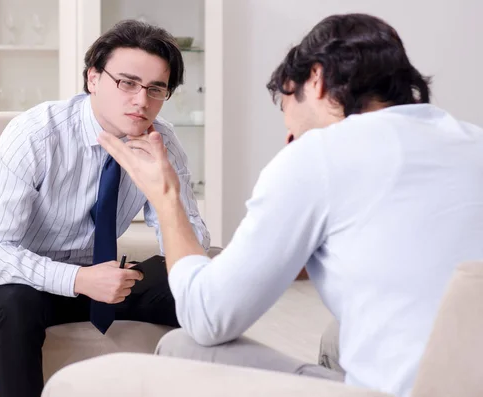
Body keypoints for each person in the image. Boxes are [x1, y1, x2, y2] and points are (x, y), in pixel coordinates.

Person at [97, 13, 483, 397]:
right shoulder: (472, 140)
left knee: (186, 346)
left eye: (287, 109)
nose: (290, 132)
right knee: (337, 337)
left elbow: (207, 317)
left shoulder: (320, 153)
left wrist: (166, 198)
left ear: (314, 80)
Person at [0, 20, 210, 397]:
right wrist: (78, 280)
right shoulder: (36, 134)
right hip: (27, 280)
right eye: (127, 83)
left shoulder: (160, 141)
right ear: (93, 79)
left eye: (155, 89)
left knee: (203, 284)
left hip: (104, 280)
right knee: (17, 302)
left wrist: (165, 191)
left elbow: (189, 251)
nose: (141, 101)